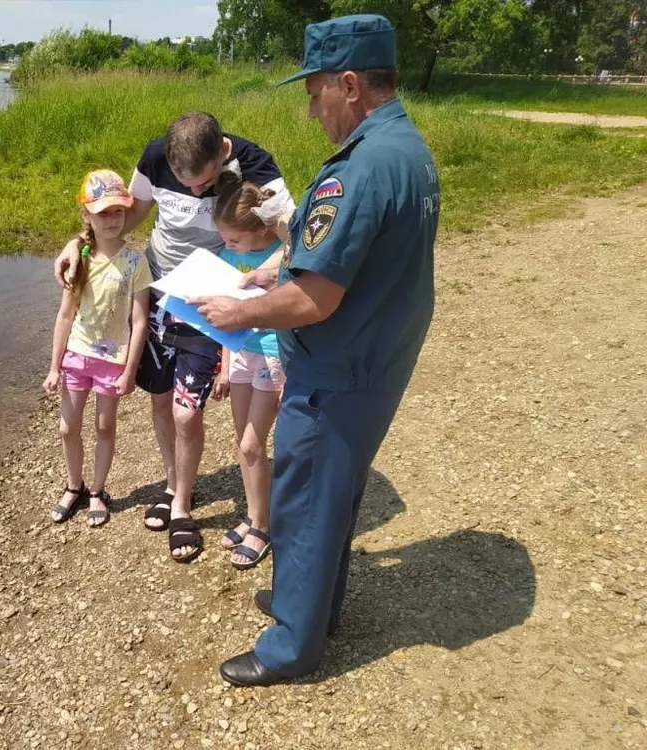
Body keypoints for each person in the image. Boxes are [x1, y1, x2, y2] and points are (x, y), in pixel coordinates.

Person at [190, 15, 440, 685]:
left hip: (338, 369)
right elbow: (351, 254)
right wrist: (285, 263)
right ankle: (315, 606)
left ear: (351, 85)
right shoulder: (405, 147)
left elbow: (315, 301)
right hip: (376, 360)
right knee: (335, 495)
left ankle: (291, 647)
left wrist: (239, 308)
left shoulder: (357, 169)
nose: (310, 108)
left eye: (316, 91)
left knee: (301, 499)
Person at [53, 113, 293, 562]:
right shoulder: (154, 158)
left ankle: (183, 507)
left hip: (214, 305)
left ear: (223, 154)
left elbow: (296, 240)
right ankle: (174, 486)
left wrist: (261, 275)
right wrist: (78, 243)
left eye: (204, 184)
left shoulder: (257, 166)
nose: (197, 192)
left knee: (187, 413)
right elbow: (124, 219)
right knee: (160, 400)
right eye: (186, 184)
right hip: (161, 293)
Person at [42, 169, 151, 528]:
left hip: (113, 361)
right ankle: (74, 486)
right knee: (67, 427)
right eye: (102, 212)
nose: (112, 220)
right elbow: (64, 315)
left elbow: (139, 322)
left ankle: (97, 491)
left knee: (105, 427)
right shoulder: (79, 258)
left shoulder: (136, 263)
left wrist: (130, 370)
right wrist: (54, 367)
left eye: (118, 211)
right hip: (77, 355)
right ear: (86, 215)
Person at [210, 172, 286, 570]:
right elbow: (224, 316)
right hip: (239, 354)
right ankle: (253, 515)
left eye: (235, 240)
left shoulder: (281, 258)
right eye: (224, 240)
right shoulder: (228, 257)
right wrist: (223, 366)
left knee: (254, 445)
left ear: (259, 230)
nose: (228, 247)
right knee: (243, 441)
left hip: (271, 354)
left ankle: (263, 526)